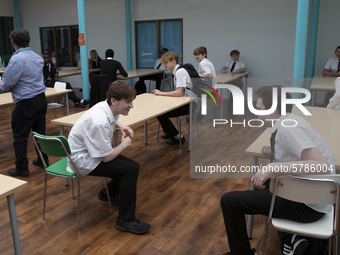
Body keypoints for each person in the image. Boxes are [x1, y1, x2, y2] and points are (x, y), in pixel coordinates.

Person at [220, 85, 335, 255]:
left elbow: (321, 166)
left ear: (273, 110)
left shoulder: (287, 129)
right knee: (267, 183)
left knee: (229, 201)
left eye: (258, 109)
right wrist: (275, 152)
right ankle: (293, 238)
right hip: (317, 197)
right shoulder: (289, 121)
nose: (256, 113)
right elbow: (298, 154)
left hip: (309, 205)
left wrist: (273, 166)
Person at [66, 80, 151, 234]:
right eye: (128, 102)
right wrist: (124, 145)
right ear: (114, 100)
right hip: (81, 161)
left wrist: (122, 126)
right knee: (130, 170)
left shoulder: (104, 106)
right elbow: (105, 158)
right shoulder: (100, 122)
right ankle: (125, 221)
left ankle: (108, 193)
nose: (131, 106)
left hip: (84, 154)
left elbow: (112, 118)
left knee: (130, 167)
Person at [0, 28, 49, 177]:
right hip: (41, 99)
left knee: (20, 137)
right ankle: (43, 160)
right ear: (28, 41)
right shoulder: (37, 57)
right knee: (40, 134)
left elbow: (5, 86)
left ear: (13, 43)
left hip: (26, 103)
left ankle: (22, 168)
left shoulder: (16, 60)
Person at [153, 51, 197, 145]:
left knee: (160, 113)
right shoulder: (178, 71)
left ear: (173, 61)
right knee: (161, 110)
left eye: (166, 62)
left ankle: (178, 137)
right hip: (186, 101)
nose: (164, 65)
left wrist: (161, 93)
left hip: (189, 104)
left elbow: (178, 93)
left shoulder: (180, 72)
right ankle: (170, 132)